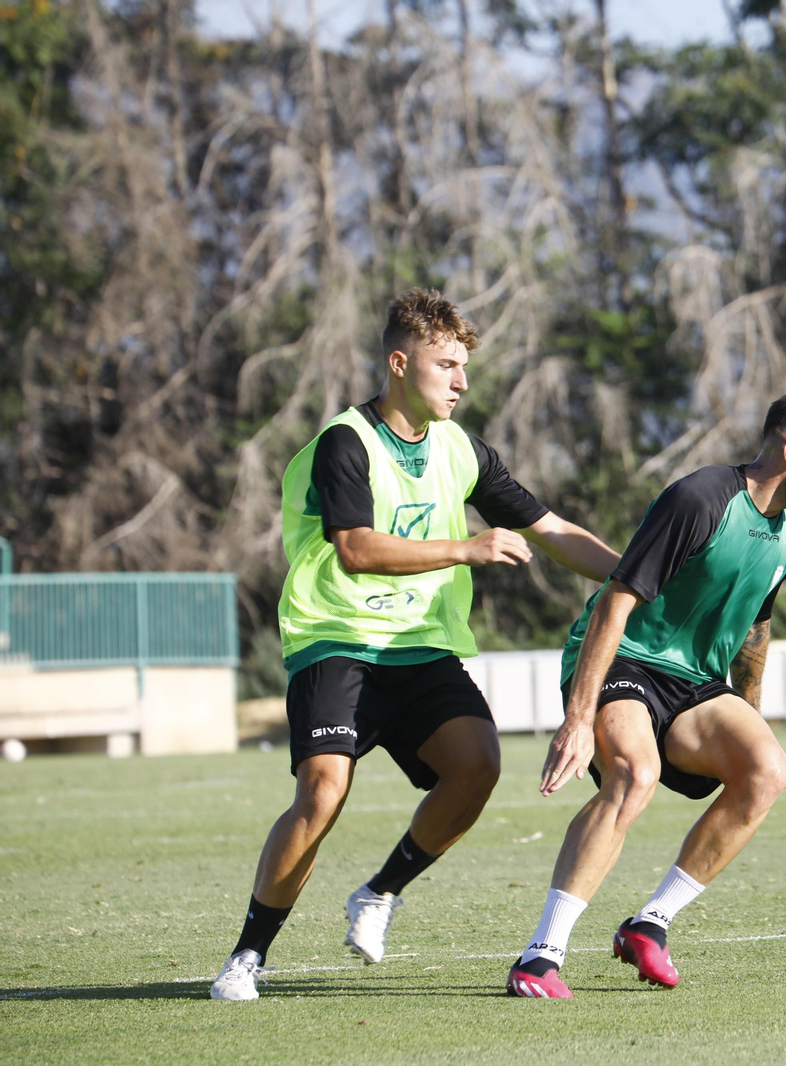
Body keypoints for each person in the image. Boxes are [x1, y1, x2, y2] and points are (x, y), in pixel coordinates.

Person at [209, 290, 619, 1001]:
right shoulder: (346, 441)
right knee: (322, 793)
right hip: (338, 639)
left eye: (465, 366)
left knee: (477, 766)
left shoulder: (462, 450)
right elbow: (358, 549)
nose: (461, 381)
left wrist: (638, 575)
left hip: (419, 648)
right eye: (446, 364)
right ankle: (248, 955)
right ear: (400, 364)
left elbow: (551, 530)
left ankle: (378, 893)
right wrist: (467, 547)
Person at [504, 391, 786, 999]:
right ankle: (540, 956)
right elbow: (618, 598)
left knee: (767, 769)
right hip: (624, 656)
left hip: (696, 681)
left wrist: (746, 716)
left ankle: (650, 924)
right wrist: (578, 717)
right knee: (634, 775)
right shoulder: (700, 498)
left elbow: (755, 629)